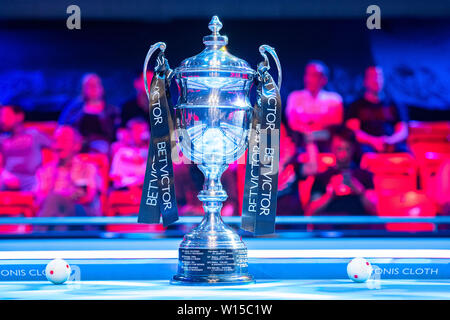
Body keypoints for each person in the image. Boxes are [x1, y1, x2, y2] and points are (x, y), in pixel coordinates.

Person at [306, 126, 377, 229]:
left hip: (358, 230)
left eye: (347, 149)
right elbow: (311, 211)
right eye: (339, 148)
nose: (343, 154)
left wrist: (358, 190)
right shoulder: (322, 177)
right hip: (329, 230)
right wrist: (330, 194)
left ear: (353, 149)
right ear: (332, 149)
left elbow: (374, 209)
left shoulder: (365, 176)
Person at [35, 126, 100, 224]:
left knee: (55, 202)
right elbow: (40, 199)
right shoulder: (45, 171)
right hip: (55, 217)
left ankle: (38, 237)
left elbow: (85, 196)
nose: (59, 146)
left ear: (76, 146)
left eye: (64, 140)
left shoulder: (86, 169)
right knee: (58, 220)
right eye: (56, 141)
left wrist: (62, 198)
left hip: (81, 217)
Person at [346, 66, 409, 153]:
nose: (377, 80)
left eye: (379, 76)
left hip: (391, 144)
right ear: (365, 81)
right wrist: (373, 141)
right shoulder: (355, 105)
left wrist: (389, 141)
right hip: (367, 146)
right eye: (373, 77)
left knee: (405, 153)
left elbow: (403, 131)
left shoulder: (395, 104)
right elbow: (353, 131)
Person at [285, 60, 344, 151]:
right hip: (300, 141)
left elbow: (336, 123)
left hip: (326, 142)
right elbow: (292, 122)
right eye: (308, 74)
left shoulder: (334, 99)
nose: (310, 79)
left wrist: (306, 118)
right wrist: (321, 119)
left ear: (324, 79)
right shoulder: (294, 97)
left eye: (315, 75)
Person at [59, 73, 120, 153]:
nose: (92, 88)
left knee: (101, 146)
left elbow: (116, 133)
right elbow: (62, 126)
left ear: (102, 88)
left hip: (101, 144)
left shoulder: (112, 110)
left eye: (95, 85)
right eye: (89, 85)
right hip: (77, 142)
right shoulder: (74, 108)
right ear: (83, 89)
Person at [0, 105, 51, 191]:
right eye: (1, 116)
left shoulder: (34, 134)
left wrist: (45, 172)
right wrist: (5, 175)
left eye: (6, 115)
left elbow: (57, 147)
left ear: (19, 116)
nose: (2, 120)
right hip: (8, 179)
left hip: (33, 180)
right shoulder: (2, 139)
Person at [109, 118, 149, 191]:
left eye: (142, 131)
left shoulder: (153, 152)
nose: (139, 134)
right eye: (136, 131)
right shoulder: (121, 151)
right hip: (125, 191)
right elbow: (115, 177)